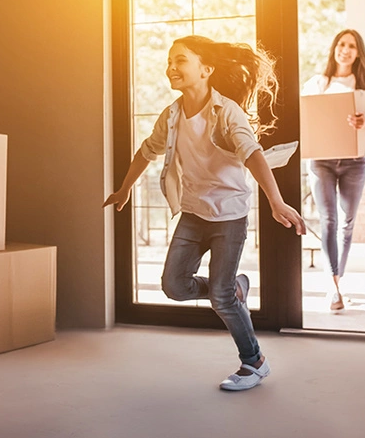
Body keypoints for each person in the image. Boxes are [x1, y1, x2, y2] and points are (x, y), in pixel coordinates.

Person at [102, 35, 306, 391]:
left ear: (206, 69)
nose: (172, 67)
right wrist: (124, 189)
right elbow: (146, 151)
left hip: (229, 215)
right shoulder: (171, 115)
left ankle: (254, 361)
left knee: (221, 298)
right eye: (170, 60)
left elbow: (253, 154)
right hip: (194, 214)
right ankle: (231, 288)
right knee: (174, 286)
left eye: (180, 60)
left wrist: (275, 201)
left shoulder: (227, 111)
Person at [302, 29, 365, 312]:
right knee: (328, 221)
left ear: (358, 52)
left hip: (353, 161)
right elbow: (307, 116)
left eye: (351, 46)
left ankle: (337, 280)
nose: (345, 50)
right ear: (334, 48)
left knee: (347, 223)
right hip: (322, 161)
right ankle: (332, 285)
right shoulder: (317, 83)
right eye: (341, 44)